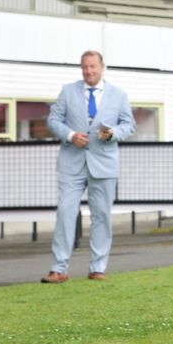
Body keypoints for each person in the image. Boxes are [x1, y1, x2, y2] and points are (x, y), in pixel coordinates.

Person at [41, 50, 135, 284]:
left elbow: (129, 125)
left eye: (92, 66)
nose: (88, 71)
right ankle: (58, 268)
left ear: (102, 67)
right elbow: (53, 120)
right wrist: (70, 135)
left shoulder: (118, 95)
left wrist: (112, 133)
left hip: (104, 165)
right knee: (65, 212)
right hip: (71, 164)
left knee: (101, 216)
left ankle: (98, 267)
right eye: (84, 67)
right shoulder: (67, 91)